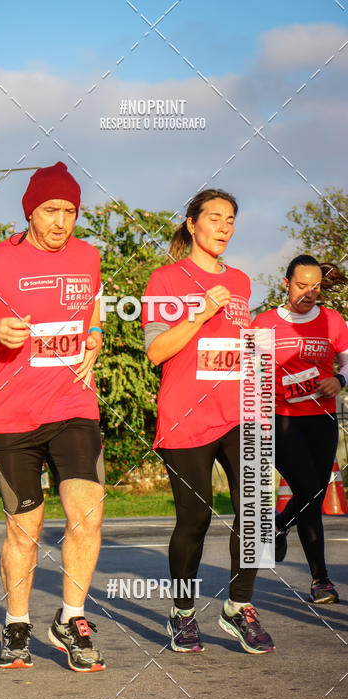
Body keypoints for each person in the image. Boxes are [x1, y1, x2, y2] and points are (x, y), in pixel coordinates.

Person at [0, 161, 106, 672]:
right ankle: (17, 623)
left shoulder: (89, 257)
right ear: (30, 212)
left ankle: (72, 618)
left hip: (73, 404)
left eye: (70, 211)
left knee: (88, 511)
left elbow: (94, 311)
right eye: (51, 210)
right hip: (12, 415)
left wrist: (97, 339)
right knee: (25, 527)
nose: (61, 222)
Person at [143, 188, 275, 654]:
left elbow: (241, 349)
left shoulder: (241, 281)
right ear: (192, 224)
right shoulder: (165, 279)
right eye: (215, 217)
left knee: (257, 511)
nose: (224, 226)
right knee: (194, 517)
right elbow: (156, 351)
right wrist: (201, 314)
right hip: (186, 416)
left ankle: (239, 608)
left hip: (240, 412)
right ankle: (182, 614)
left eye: (231, 219)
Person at [253, 256, 348, 603]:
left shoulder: (332, 321)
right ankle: (321, 579)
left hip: (322, 419)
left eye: (316, 286)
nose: (309, 292)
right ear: (285, 283)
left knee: (315, 492)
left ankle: (279, 527)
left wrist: (338, 380)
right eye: (301, 285)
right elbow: (250, 375)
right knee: (309, 488)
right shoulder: (263, 323)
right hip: (281, 420)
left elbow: (347, 362)